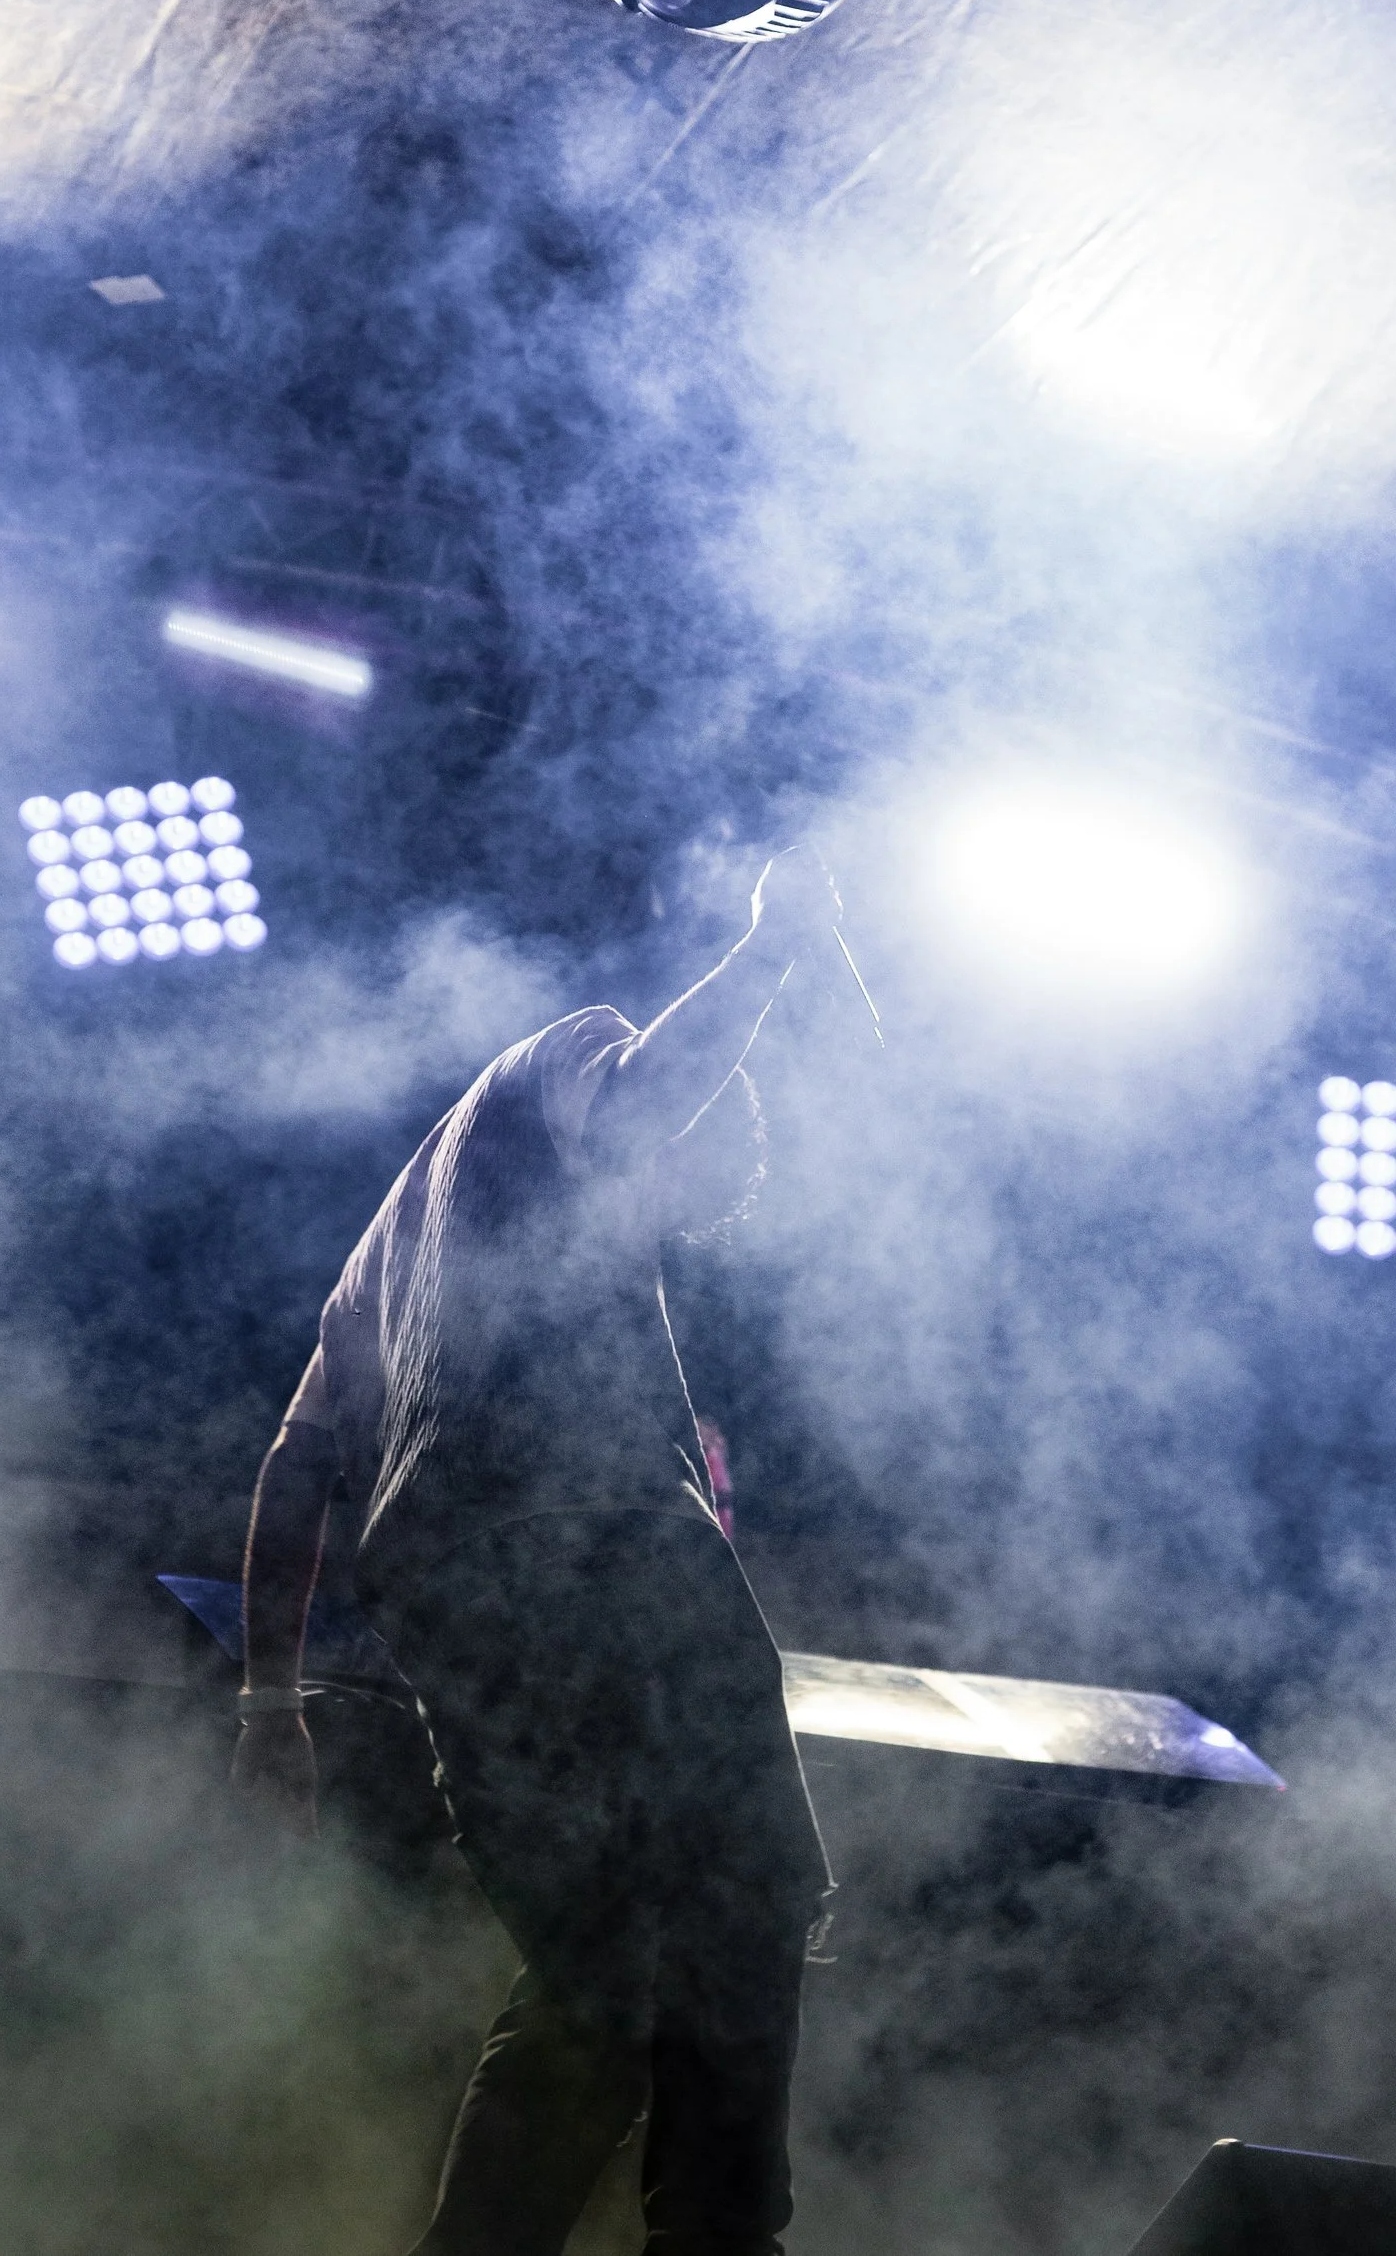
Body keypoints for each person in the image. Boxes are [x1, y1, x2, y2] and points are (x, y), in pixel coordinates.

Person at [233, 849, 846, 2256]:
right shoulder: (579, 1058)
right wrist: (773, 955)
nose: (718, 1209)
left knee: (593, 1985)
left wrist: (268, 1704)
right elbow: (646, 1094)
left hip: (460, 1612)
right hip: (593, 1548)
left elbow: (296, 1464)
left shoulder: (385, 1265)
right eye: (722, 1169)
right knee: (749, 1912)